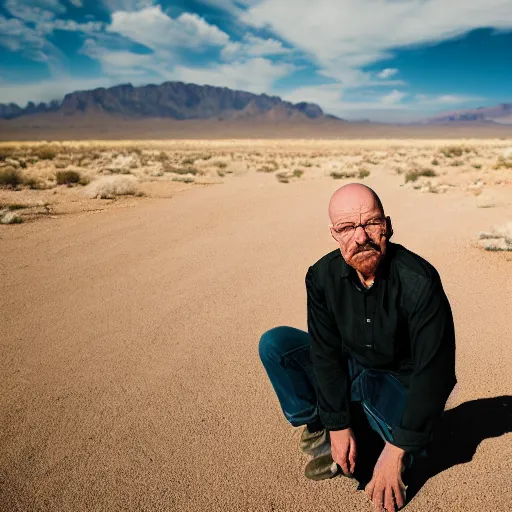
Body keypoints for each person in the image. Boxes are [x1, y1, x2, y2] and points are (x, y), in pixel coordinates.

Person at [258, 183, 456, 512]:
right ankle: (319, 426)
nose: (360, 237)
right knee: (276, 344)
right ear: (334, 234)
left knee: (378, 466)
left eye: (371, 223)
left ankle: (384, 440)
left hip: (397, 383)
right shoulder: (321, 276)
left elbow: (434, 374)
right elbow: (324, 352)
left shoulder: (418, 281)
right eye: (348, 228)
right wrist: (336, 424)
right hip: (352, 368)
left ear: (388, 226)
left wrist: (394, 453)